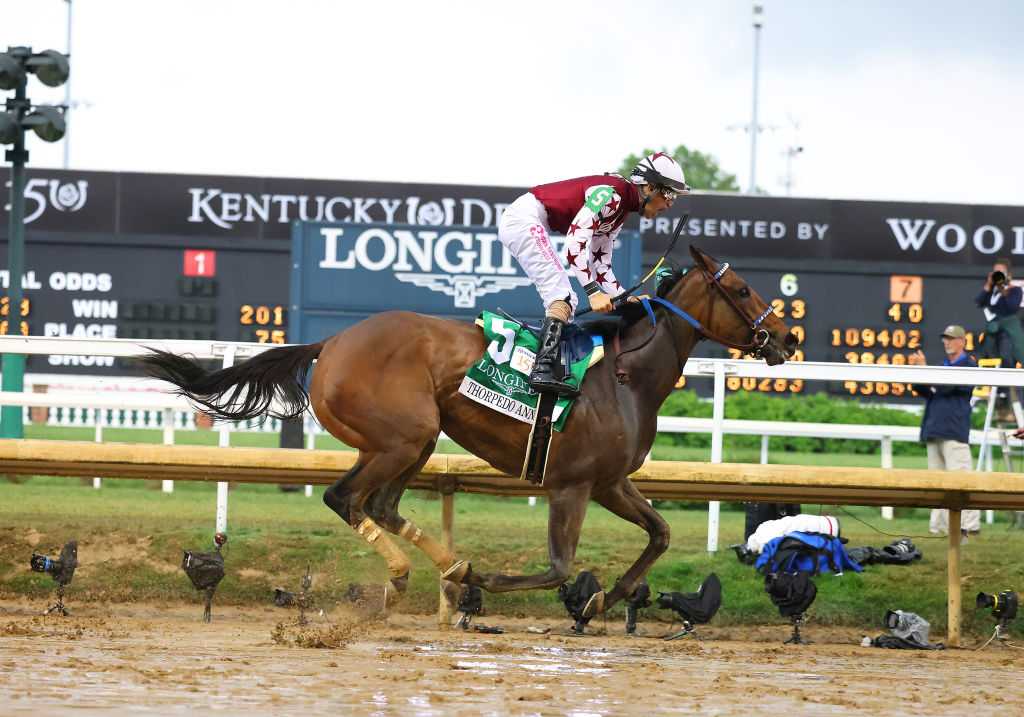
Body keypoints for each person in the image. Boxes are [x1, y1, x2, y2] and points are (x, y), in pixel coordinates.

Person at [497, 153, 689, 396]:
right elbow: (575, 242)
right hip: (523, 220)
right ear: (649, 187)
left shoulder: (621, 209)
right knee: (563, 296)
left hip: (529, 220)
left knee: (566, 298)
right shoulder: (611, 195)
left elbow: (601, 264)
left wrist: (622, 298)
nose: (670, 203)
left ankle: (550, 366)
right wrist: (592, 292)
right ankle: (542, 370)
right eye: (669, 194)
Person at [908, 325, 980, 537]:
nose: (946, 342)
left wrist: (926, 370)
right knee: (936, 484)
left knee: (961, 482)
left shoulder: (969, 365)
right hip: (935, 430)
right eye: (945, 338)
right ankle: (938, 528)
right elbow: (924, 390)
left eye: (951, 338)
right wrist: (919, 372)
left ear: (962, 341)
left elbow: (945, 387)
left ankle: (969, 527)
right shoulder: (942, 365)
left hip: (954, 432)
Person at [976, 258, 1024, 368]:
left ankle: (1007, 384)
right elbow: (979, 302)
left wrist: (1002, 289)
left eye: (1000, 272)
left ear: (1008, 274)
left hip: (1007, 333)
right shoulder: (992, 292)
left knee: (1006, 357)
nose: (997, 275)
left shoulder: (1015, 290)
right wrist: (988, 286)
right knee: (987, 356)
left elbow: (1011, 307)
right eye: (995, 272)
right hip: (993, 331)